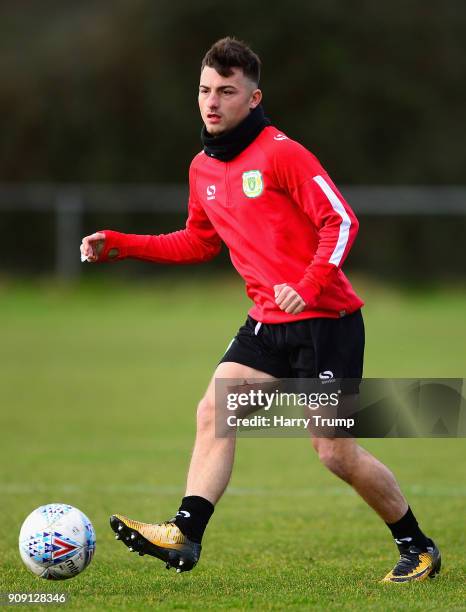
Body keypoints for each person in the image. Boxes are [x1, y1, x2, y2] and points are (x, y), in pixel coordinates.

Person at [80, 37, 440, 583]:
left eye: (227, 91)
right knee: (214, 411)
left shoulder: (281, 153)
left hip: (326, 324)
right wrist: (121, 243)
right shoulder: (202, 167)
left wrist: (310, 282)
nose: (212, 102)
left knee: (334, 453)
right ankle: (185, 533)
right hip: (267, 325)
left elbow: (340, 220)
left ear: (253, 98)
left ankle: (419, 548)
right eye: (205, 90)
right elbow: (198, 243)